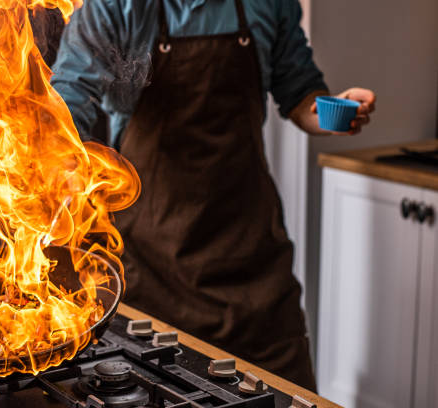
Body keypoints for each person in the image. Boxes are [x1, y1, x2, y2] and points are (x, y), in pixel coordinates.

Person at [51, 0, 376, 390]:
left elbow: (301, 94)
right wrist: (58, 165)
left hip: (254, 265)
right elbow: (69, 102)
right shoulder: (116, 7)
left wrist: (336, 111)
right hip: (153, 269)